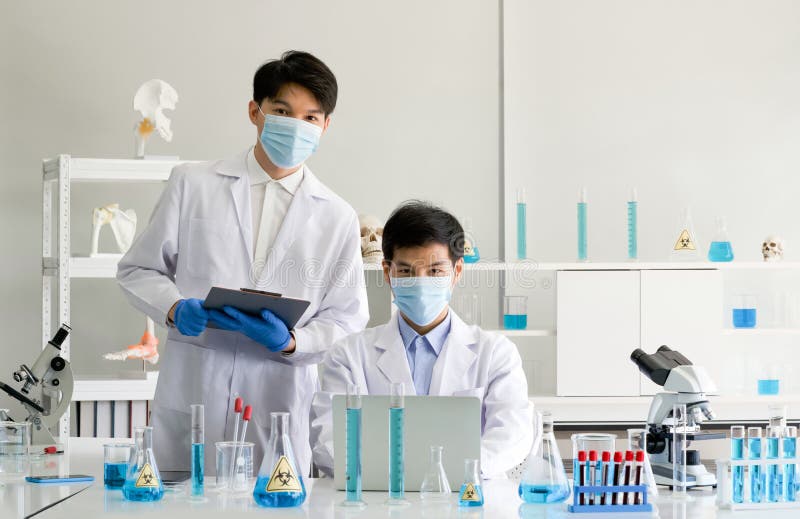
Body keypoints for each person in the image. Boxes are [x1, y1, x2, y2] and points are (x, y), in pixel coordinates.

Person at [117, 50, 369, 476]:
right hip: (196, 388)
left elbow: (347, 317)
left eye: (311, 117)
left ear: (326, 125)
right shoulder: (193, 183)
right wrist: (176, 308)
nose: (297, 126)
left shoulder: (337, 215)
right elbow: (137, 269)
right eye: (283, 111)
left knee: (273, 498)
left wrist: (292, 342)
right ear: (256, 112)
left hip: (279, 400)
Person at [311, 201, 533, 478]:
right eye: (405, 271)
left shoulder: (496, 353)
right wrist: (398, 476)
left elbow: (512, 436)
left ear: (457, 272)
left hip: (467, 500)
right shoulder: (348, 355)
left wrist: (446, 474)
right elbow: (328, 441)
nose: (420, 281)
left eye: (435, 271)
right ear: (387, 272)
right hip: (379, 504)